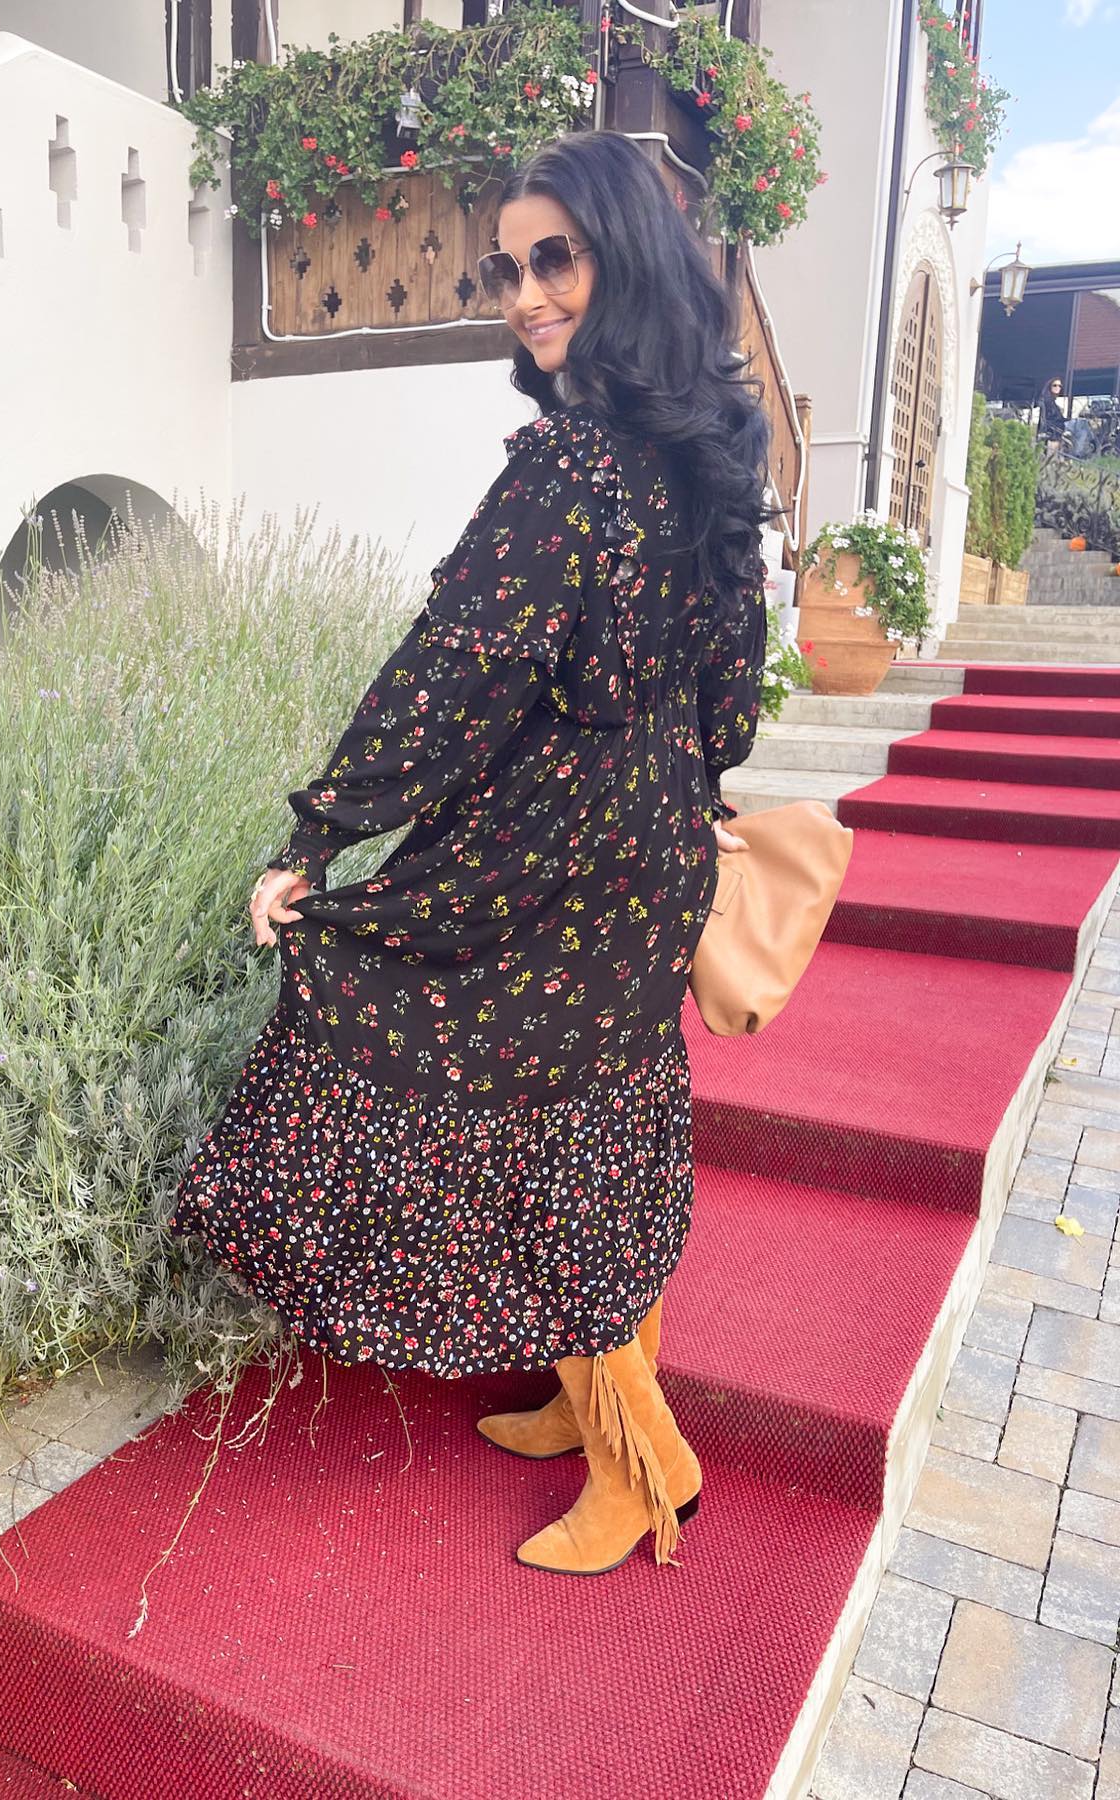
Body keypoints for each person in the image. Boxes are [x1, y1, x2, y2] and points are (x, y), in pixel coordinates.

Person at [167, 129, 770, 1577]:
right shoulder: (703, 458)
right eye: (506, 268)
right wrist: (676, 790)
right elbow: (733, 696)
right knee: (598, 1128)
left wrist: (324, 831)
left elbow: (454, 673)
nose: (525, 293)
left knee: (536, 1143)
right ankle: (590, 1401)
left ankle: (643, 1468)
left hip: (559, 857)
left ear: (625, 259)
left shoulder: (570, 465)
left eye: (554, 258)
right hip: (653, 843)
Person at [1040, 375, 1066, 453]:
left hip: (1057, 430)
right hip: (1053, 432)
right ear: (1049, 386)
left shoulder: (1053, 402)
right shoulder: (1047, 401)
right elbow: (1048, 418)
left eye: (1059, 386)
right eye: (1055, 385)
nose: (1057, 387)